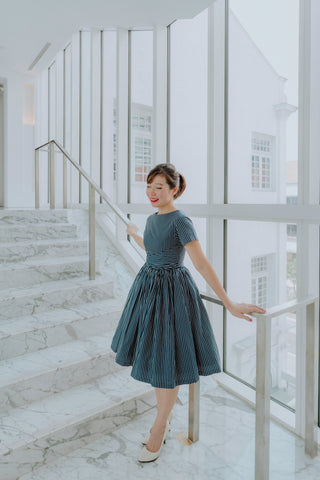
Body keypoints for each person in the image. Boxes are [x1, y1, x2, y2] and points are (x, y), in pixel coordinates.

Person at [111, 163, 266, 463]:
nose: (152, 193)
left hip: (171, 294)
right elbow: (155, 249)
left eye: (159, 187)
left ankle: (158, 428)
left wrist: (230, 303)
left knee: (167, 361)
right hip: (148, 290)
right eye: (149, 186)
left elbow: (201, 264)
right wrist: (133, 233)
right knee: (159, 361)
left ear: (174, 189)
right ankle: (164, 422)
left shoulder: (182, 220)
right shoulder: (153, 218)